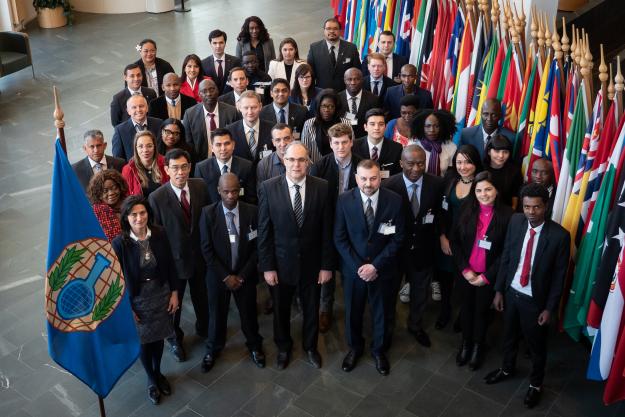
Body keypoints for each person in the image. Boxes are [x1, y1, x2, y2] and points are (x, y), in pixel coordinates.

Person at [485, 183, 570, 409]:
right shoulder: (516, 221)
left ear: (546, 207)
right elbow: (507, 256)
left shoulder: (560, 237)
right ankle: (506, 368)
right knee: (509, 335)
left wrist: (549, 309)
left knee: (536, 346)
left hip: (535, 301)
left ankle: (535, 384)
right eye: (526, 207)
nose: (531, 212)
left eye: (536, 207)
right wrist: (499, 290)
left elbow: (558, 278)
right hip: (512, 293)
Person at [258, 142, 334, 370]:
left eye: (301, 160)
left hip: (313, 264)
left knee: (311, 308)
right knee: (281, 310)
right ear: (283, 160)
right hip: (281, 264)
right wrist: (267, 267)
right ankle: (283, 348)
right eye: (291, 159)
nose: (296, 164)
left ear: (308, 161)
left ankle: (310, 347)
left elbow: (327, 230)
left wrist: (326, 265)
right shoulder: (268, 188)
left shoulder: (322, 187)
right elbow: (264, 231)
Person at [334, 159, 405, 375]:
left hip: (383, 270)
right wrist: (360, 267)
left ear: (380, 178)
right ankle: (355, 348)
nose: (368, 183)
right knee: (353, 312)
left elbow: (398, 238)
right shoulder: (344, 200)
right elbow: (339, 238)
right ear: (356, 178)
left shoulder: (395, 201)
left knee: (382, 312)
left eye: (373, 178)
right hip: (353, 271)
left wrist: (375, 266)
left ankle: (379, 350)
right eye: (363, 178)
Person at [112, 196, 178, 406]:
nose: (139, 218)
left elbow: (170, 265)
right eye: (134, 215)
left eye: (142, 213)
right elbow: (116, 278)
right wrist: (125, 308)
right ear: (126, 218)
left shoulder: (159, 233)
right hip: (137, 298)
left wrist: (175, 292)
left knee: (158, 338)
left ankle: (158, 372)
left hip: (160, 294)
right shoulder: (119, 243)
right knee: (143, 341)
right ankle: (151, 379)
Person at [148, 149, 211, 363]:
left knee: (202, 297)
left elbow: (209, 219)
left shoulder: (200, 186)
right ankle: (175, 338)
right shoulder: (156, 198)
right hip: (174, 263)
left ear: (190, 167)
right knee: (174, 305)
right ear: (166, 170)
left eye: (184, 167)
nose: (180, 172)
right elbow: (156, 236)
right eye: (175, 168)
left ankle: (204, 328)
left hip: (200, 258)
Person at [199, 173, 265, 372]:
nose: (230, 195)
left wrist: (242, 275)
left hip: (245, 275)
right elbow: (206, 249)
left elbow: (257, 248)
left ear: (240, 190)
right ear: (219, 191)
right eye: (226, 191)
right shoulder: (208, 214)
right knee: (216, 315)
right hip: (219, 276)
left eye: (235, 191)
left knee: (249, 314)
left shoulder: (252, 211)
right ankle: (213, 349)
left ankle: (255, 346)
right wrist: (226, 277)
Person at [382, 144, 444, 349]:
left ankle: (416, 326)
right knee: (389, 293)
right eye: (410, 164)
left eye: (421, 164)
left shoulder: (436, 184)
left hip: (424, 249)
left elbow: (440, 215)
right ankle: (387, 328)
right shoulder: (389, 185)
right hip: (396, 252)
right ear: (401, 164)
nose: (416, 169)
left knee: (420, 292)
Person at [451, 171, 513, 371]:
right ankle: (466, 343)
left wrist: (486, 277)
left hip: (488, 276)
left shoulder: (508, 215)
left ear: (497, 190)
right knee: (466, 309)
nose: (483, 194)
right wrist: (465, 269)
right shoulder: (466, 209)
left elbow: (506, 252)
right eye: (478, 190)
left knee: (482, 313)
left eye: (488, 189)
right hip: (466, 274)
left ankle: (478, 345)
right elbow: (456, 242)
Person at [310, 123, 361, 333]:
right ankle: (325, 309)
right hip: (328, 224)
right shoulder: (320, 166)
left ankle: (354, 309)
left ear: (351, 142)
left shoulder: (361, 165)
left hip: (354, 226)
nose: (341, 147)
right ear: (330, 144)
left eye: (344, 142)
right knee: (326, 268)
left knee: (350, 269)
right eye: (336, 143)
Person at [435, 145, 484, 329]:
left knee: (465, 281)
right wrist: (441, 236)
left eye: (468, 162)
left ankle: (463, 315)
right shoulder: (449, 179)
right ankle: (445, 310)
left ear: (476, 163)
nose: (463, 167)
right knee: (445, 278)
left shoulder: (481, 184)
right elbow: (440, 211)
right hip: (448, 240)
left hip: (469, 244)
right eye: (459, 162)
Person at [194, 128, 256, 204]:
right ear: (212, 147)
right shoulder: (201, 169)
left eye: (227, 144)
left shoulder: (246, 166)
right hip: (212, 214)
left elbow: (251, 199)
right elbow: (200, 200)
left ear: (233, 145)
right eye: (218, 145)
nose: (223, 148)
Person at [183, 79, 239, 161]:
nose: (209, 94)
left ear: (217, 90)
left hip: (227, 160)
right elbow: (188, 143)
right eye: (204, 91)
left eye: (212, 89)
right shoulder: (190, 114)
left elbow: (236, 139)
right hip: (201, 162)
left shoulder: (231, 112)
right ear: (199, 94)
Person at [307, 17, 360, 92]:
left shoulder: (351, 48)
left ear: (340, 31)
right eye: (328, 28)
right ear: (324, 30)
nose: (332, 31)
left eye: (335, 28)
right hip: (322, 95)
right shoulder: (314, 48)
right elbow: (310, 74)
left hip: (345, 93)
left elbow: (358, 72)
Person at [300, 89, 352, 163]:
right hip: (316, 168)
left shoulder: (346, 124)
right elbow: (304, 151)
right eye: (323, 106)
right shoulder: (309, 124)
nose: (326, 110)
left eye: (331, 106)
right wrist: (315, 168)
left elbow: (351, 147)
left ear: (336, 107)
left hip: (342, 166)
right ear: (318, 106)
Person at [226, 91, 274, 164]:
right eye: (246, 108)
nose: (250, 112)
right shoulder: (230, 131)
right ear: (239, 107)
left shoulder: (272, 129)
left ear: (260, 106)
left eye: (254, 107)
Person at [353, 108, 402, 177]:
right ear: (365, 127)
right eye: (372, 124)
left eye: (381, 124)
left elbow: (397, 175)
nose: (376, 128)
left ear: (385, 127)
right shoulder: (354, 146)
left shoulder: (396, 148)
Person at [111, 94, 162, 161]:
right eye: (134, 107)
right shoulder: (120, 130)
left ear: (147, 108)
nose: (138, 110)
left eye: (141, 106)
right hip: (133, 170)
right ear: (128, 111)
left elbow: (162, 150)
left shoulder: (159, 124)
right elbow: (118, 159)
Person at [121, 131, 169, 197]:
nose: (145, 150)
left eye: (149, 146)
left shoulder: (165, 163)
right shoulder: (128, 170)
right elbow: (126, 197)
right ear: (136, 149)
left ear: (154, 147)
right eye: (140, 146)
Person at [412, 109, 458, 177]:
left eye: (436, 126)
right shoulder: (413, 145)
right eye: (428, 126)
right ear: (421, 127)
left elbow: (451, 175)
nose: (432, 130)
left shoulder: (451, 147)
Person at [87, 169, 128, 242]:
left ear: (120, 187)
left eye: (114, 188)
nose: (111, 193)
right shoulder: (95, 213)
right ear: (98, 194)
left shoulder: (130, 204)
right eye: (105, 191)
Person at [339, 68, 380, 138]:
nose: (353, 82)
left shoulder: (373, 99)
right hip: (343, 141)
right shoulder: (337, 99)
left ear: (362, 80)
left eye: (356, 79)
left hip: (365, 140)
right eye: (349, 79)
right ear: (344, 80)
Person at [484, 135, 523, 209]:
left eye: (505, 152)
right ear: (489, 151)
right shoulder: (481, 168)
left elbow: (515, 195)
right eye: (497, 151)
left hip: (507, 212)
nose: (501, 155)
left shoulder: (515, 171)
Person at [201, 29, 242, 94]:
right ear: (210, 44)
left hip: (231, 99)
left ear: (225, 43)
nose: (218, 46)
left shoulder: (235, 61)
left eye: (221, 42)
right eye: (215, 43)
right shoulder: (203, 64)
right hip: (211, 99)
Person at [256, 123, 293, 189]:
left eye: (286, 138)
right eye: (278, 140)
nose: (283, 144)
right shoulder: (264, 165)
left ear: (292, 138)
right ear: (273, 142)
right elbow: (262, 193)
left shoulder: (303, 160)